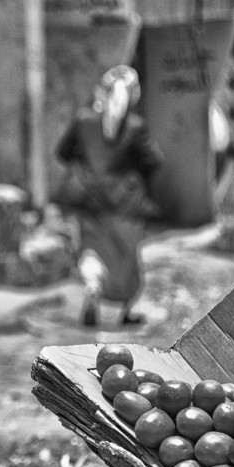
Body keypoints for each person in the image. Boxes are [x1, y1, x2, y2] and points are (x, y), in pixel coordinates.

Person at [55, 65, 164, 327]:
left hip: (89, 201)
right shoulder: (136, 127)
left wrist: (87, 165)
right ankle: (125, 313)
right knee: (126, 258)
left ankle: (92, 289)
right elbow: (155, 160)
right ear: (134, 95)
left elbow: (62, 152)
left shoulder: (83, 121)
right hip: (124, 204)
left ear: (102, 91)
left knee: (92, 250)